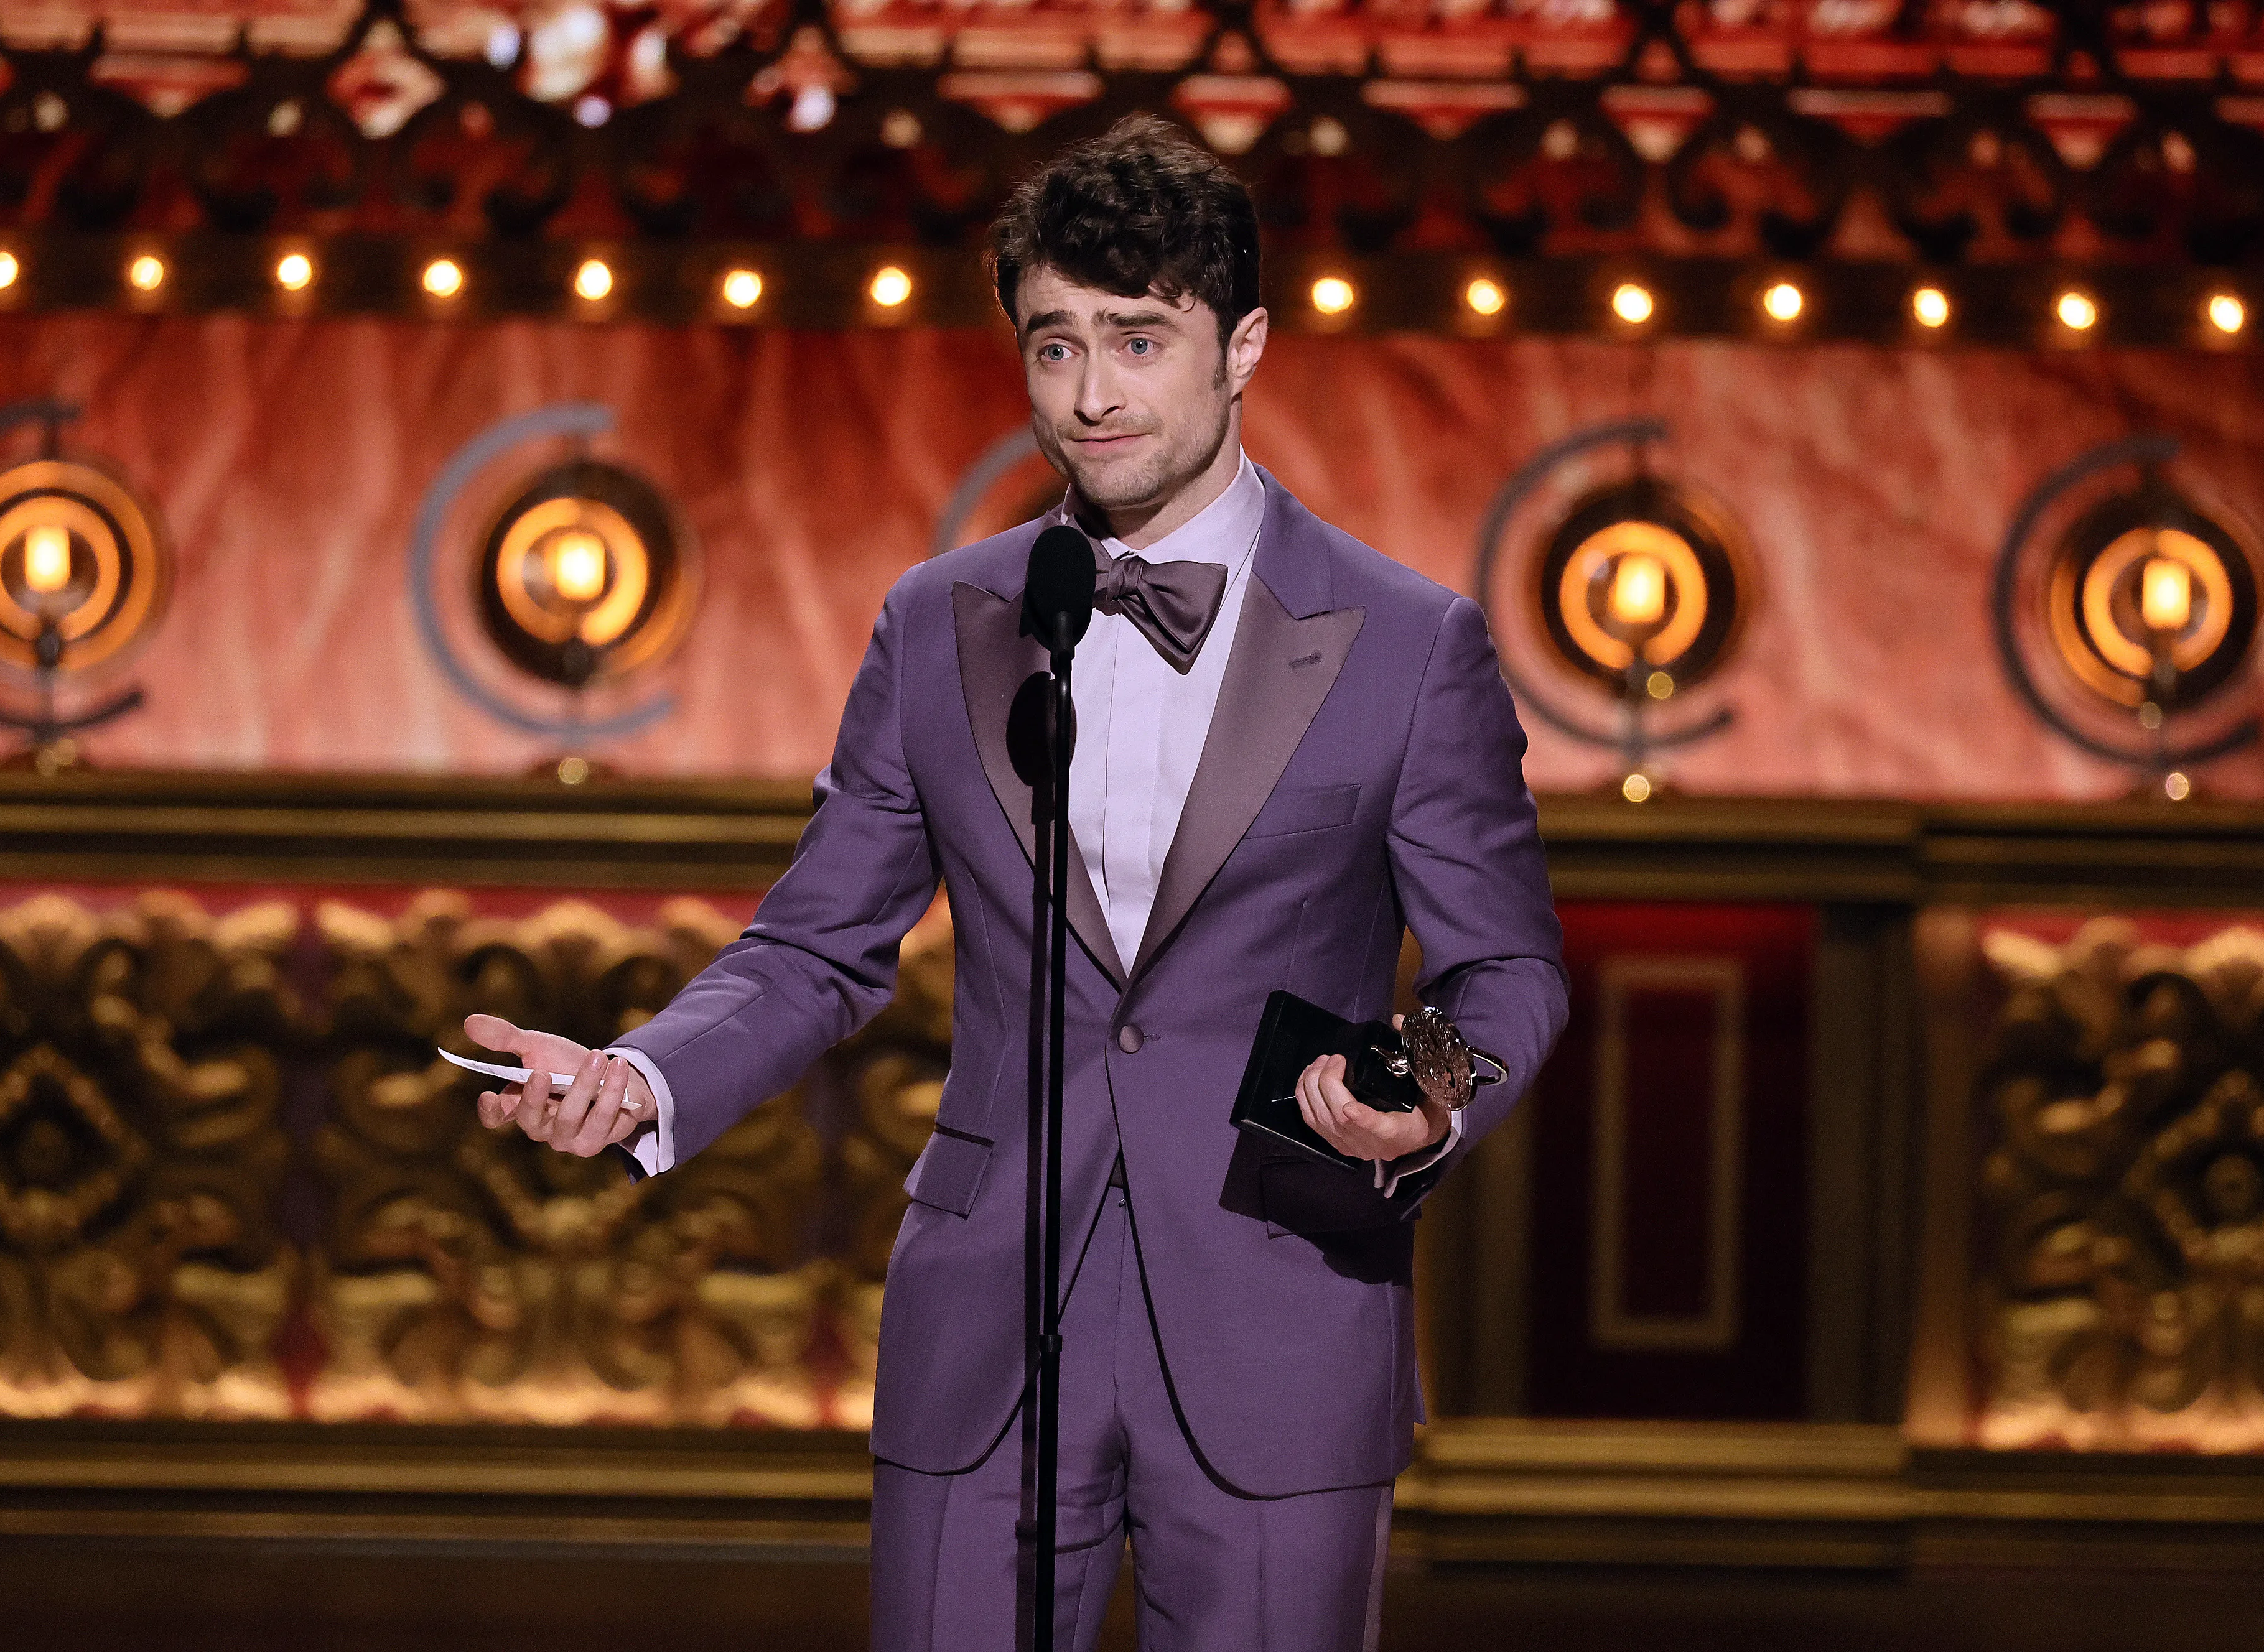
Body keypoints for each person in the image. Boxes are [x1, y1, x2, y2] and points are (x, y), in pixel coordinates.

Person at [467, 113, 1567, 1651]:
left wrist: (1424, 1091)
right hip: (988, 1321)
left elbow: (1505, 968)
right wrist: (646, 1073)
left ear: (1243, 345)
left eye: (1139, 339)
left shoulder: (1405, 640)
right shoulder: (941, 622)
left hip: (1280, 1297)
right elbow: (816, 945)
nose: (1094, 395)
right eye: (1055, 347)